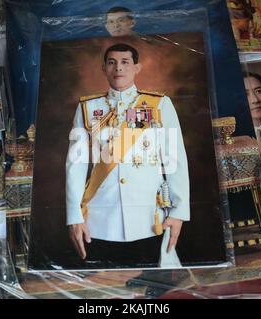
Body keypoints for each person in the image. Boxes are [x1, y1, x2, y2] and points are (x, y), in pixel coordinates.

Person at [66, 43, 190, 267]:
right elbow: (75, 166)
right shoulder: (87, 108)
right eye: (112, 63)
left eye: (125, 62)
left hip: (149, 218)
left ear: (137, 68)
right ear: (103, 68)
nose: (118, 68)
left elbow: (175, 162)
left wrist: (179, 211)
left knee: (154, 288)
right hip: (100, 220)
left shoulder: (157, 104)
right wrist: (74, 216)